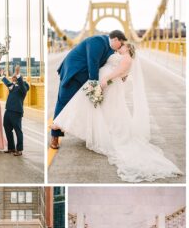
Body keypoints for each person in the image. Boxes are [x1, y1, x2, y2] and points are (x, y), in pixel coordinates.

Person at [53, 42, 181, 181]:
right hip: (108, 85)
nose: (120, 47)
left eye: (123, 46)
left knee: (97, 107)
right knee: (93, 106)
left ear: (129, 48)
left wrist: (106, 79)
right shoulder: (120, 55)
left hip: (109, 84)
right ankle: (61, 124)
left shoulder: (126, 58)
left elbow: (120, 72)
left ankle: (60, 124)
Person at [50, 30, 125, 150]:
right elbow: (93, 62)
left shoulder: (111, 49)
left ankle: (87, 133)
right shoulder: (98, 41)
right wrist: (94, 84)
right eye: (120, 44)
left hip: (86, 76)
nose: (120, 47)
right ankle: (55, 137)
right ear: (115, 39)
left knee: (86, 105)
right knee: (64, 101)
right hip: (74, 72)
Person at [0, 65, 29, 156]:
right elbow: (7, 83)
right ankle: (11, 148)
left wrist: (18, 74)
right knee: (7, 129)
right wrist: (2, 75)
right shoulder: (12, 86)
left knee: (18, 130)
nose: (13, 77)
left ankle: (19, 149)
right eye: (13, 77)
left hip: (16, 112)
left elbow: (21, 84)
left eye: (14, 77)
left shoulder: (22, 89)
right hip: (8, 110)